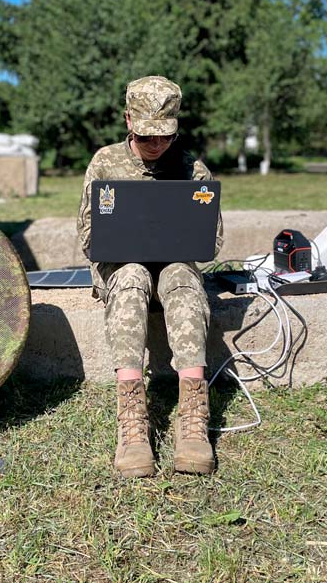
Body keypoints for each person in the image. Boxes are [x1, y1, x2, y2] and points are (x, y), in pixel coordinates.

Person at [77, 75, 223, 477]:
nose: (156, 146)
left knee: (181, 277)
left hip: (174, 263)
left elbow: (213, 237)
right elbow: (88, 236)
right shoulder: (105, 162)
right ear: (128, 121)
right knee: (131, 276)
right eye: (146, 137)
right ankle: (132, 421)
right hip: (121, 265)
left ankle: (193, 417)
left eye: (164, 137)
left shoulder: (192, 168)